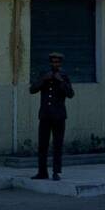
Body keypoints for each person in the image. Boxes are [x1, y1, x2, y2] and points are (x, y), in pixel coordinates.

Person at [29, 51, 75, 180]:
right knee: (42, 145)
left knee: (57, 145)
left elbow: (71, 94)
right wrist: (43, 79)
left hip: (59, 116)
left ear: (60, 63)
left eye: (57, 62)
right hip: (45, 115)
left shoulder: (64, 76)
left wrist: (61, 82)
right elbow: (32, 90)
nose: (55, 64)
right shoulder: (44, 75)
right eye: (53, 62)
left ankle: (56, 172)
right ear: (50, 63)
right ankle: (42, 172)